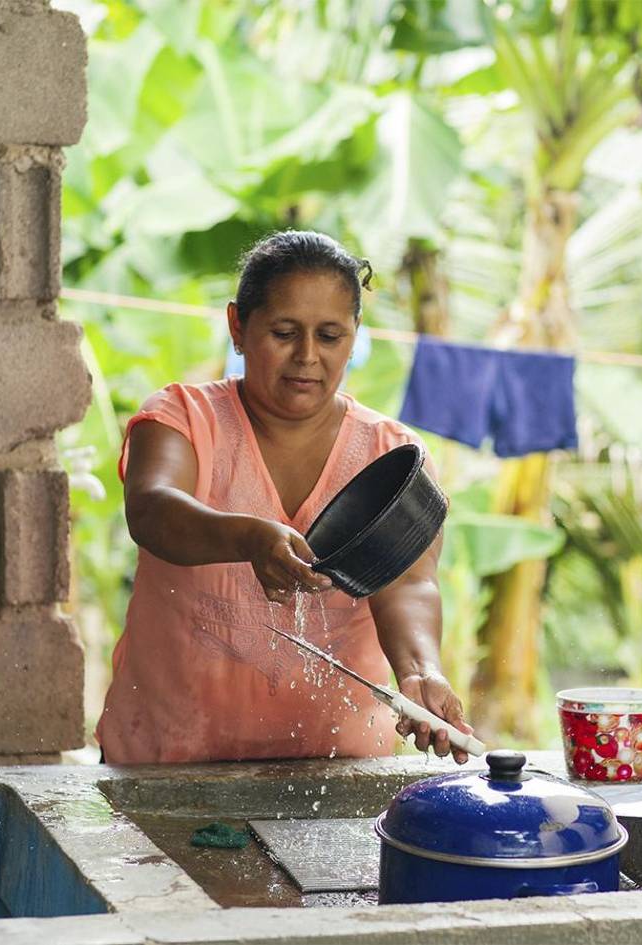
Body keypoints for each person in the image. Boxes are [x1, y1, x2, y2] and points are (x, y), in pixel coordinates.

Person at [96, 231, 475, 765]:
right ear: (237, 327)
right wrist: (246, 537)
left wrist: (420, 673)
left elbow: (407, 583)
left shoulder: (391, 455)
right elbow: (152, 510)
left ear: (355, 335)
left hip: (335, 766)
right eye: (284, 332)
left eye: (330, 336)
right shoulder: (181, 418)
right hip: (170, 758)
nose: (307, 356)